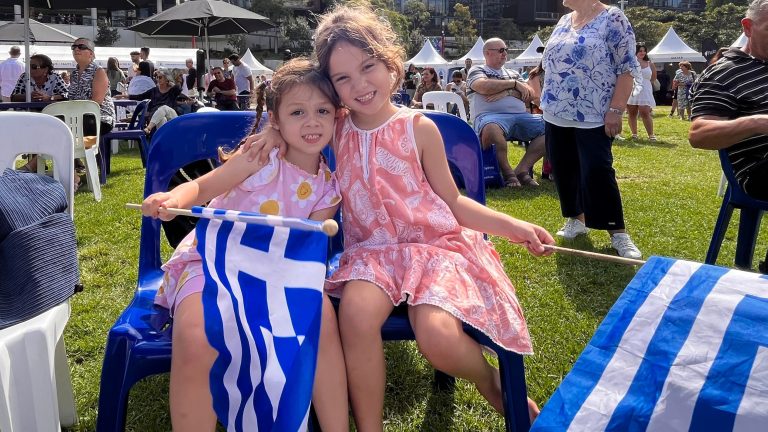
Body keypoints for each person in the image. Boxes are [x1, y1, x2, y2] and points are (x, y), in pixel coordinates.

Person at [245, 5, 554, 428]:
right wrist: (272, 130)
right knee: (354, 315)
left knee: (439, 338)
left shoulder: (419, 128)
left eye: (368, 67)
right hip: (373, 255)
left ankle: (488, 380)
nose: (359, 84)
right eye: (342, 78)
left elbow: (455, 203)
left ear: (391, 61)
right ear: (331, 87)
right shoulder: (336, 125)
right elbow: (298, 119)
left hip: (435, 250)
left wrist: (513, 226)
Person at [141, 58, 348, 431]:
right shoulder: (259, 156)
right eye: (297, 111)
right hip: (212, 261)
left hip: (277, 272)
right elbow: (203, 187)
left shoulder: (328, 188)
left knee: (322, 321)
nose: (312, 121)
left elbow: (305, 255)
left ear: (337, 117)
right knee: (196, 334)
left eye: (323, 111)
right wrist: (175, 198)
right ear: (275, 117)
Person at [540, 0, 643, 259]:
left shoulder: (613, 18)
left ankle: (616, 231)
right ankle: (576, 219)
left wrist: (616, 109)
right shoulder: (565, 20)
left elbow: (626, 67)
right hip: (556, 110)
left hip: (594, 112)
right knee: (563, 168)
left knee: (597, 169)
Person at [689, 0, 768, 273]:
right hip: (756, 171)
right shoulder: (725, 72)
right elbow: (699, 134)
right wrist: (759, 122)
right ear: (748, 27)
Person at [467, 38, 547, 188]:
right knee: (491, 128)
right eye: (501, 50)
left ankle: (522, 170)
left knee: (552, 127)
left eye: (506, 50)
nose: (505, 53)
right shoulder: (477, 70)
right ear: (487, 53)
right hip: (490, 117)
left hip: (521, 117)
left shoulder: (513, 73)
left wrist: (507, 92)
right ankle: (508, 173)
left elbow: (531, 95)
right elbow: (483, 87)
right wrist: (514, 85)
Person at [131, 68, 182, 134]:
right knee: (162, 120)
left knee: (164, 107)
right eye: (156, 77)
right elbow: (140, 96)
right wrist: (126, 96)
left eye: (160, 77)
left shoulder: (172, 90)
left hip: (171, 117)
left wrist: (170, 83)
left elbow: (179, 89)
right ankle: (163, 142)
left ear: (166, 78)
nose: (157, 79)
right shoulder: (154, 90)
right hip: (156, 117)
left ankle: (148, 128)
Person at [626, 44, 657, 141]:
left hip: (645, 89)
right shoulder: (630, 63)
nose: (642, 53)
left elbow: (654, 78)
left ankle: (651, 135)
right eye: (640, 51)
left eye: (644, 51)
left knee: (645, 112)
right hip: (632, 89)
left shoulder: (650, 64)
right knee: (632, 112)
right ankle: (634, 134)